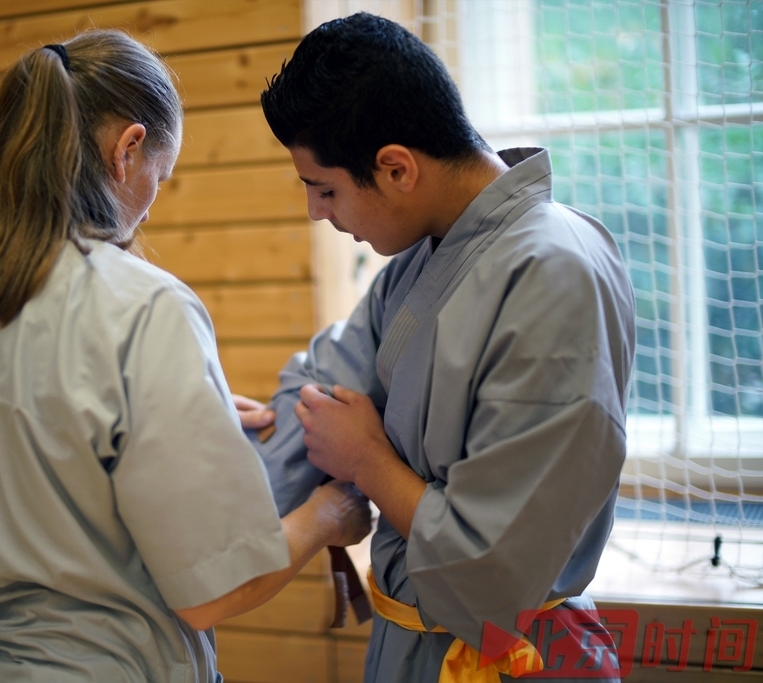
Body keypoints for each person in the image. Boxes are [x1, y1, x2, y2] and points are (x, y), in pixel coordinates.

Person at [0, 30, 370, 682]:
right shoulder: (143, 305)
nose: (149, 205)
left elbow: (12, 426)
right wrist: (327, 516)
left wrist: (161, 413)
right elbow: (216, 590)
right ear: (128, 149)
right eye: (160, 178)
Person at [253, 13, 636, 683]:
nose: (318, 212)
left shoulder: (554, 271)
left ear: (397, 167)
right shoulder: (416, 265)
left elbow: (494, 567)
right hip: (408, 648)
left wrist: (368, 460)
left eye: (325, 189)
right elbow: (314, 399)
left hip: (513, 655)